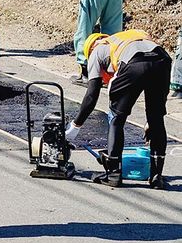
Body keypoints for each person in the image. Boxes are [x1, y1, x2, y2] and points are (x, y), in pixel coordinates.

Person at [65, 30, 171, 189]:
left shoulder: (96, 51)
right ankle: (156, 177)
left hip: (134, 64)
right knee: (156, 119)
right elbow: (149, 62)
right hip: (162, 61)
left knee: (116, 119)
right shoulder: (128, 37)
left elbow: (91, 96)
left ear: (91, 47)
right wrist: (150, 120)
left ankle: (113, 174)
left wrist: (75, 126)